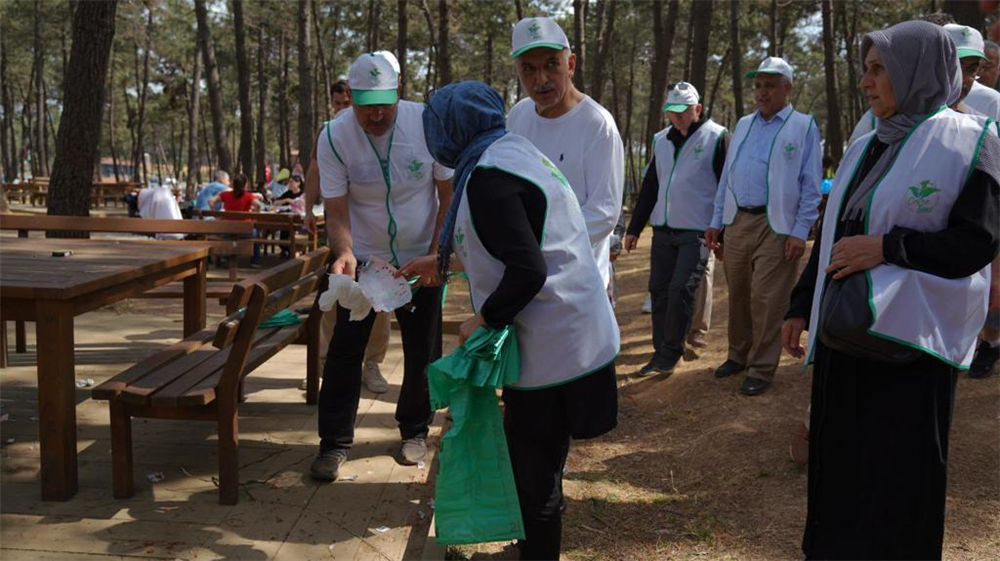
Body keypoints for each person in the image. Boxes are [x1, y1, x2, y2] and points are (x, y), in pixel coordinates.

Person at [781, 21, 1000, 559]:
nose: (865, 82)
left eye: (879, 70)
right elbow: (836, 229)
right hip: (846, 338)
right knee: (840, 469)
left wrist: (889, 248)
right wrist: (800, 305)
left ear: (915, 72)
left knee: (901, 478)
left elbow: (977, 242)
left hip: (911, 350)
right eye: (867, 68)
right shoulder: (867, 142)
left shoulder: (972, 141)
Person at [425, 81, 619, 561]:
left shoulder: (489, 177)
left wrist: (484, 318)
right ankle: (530, 549)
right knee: (542, 467)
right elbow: (512, 244)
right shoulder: (511, 151)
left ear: (450, 129)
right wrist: (437, 263)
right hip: (572, 332)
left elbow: (528, 268)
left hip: (552, 346)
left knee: (535, 478)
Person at [311, 51, 454, 480]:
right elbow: (335, 210)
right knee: (343, 351)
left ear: (399, 92)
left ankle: (414, 431)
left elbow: (447, 198)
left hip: (419, 255)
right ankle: (334, 443)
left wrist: (435, 256)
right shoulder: (334, 136)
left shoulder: (427, 124)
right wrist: (343, 253)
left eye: (384, 102)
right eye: (364, 103)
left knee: (422, 350)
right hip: (365, 257)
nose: (375, 114)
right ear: (349, 97)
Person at [706, 56, 822, 396]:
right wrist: (716, 221)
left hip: (778, 226)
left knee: (768, 299)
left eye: (770, 85)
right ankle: (738, 355)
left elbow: (811, 184)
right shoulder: (743, 125)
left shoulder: (803, 126)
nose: (762, 92)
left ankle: (760, 368)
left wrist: (801, 231)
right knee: (739, 294)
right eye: (758, 85)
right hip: (738, 220)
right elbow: (727, 175)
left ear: (788, 87)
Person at [506, 16, 624, 291]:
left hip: (580, 285)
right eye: (529, 69)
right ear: (518, 73)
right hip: (528, 282)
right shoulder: (518, 117)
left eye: (551, 64)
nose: (541, 79)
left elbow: (603, 213)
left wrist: (536, 241)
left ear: (570, 64)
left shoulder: (597, 125)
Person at [302, 64, 393, 396]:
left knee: (379, 302)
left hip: (376, 233)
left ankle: (372, 363)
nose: (343, 108)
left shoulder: (379, 130)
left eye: (346, 102)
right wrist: (310, 207)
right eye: (339, 103)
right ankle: (325, 360)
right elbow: (315, 170)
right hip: (342, 230)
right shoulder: (329, 133)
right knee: (337, 295)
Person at [625, 82, 727, 375]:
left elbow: (724, 189)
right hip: (662, 230)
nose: (678, 117)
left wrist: (722, 232)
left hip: (698, 231)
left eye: (683, 111)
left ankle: (672, 352)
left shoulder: (717, 137)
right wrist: (634, 229)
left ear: (698, 109)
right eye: (672, 112)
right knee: (658, 291)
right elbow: (651, 186)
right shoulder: (660, 140)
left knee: (682, 288)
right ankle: (660, 351)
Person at [945, 24, 1000, 120]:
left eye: (972, 70)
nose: (963, 79)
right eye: (955, 67)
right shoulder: (911, 115)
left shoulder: (982, 129)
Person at [208, 173, 262, 266]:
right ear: (245, 185)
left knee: (224, 236)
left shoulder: (225, 195)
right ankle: (254, 261)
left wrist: (216, 215)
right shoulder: (248, 196)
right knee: (256, 235)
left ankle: (224, 258)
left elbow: (211, 201)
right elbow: (258, 205)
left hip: (226, 231)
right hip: (245, 231)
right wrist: (254, 216)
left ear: (233, 184)